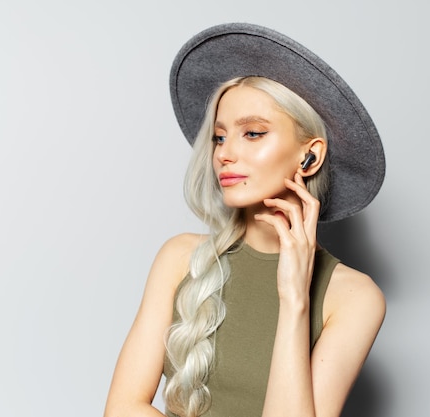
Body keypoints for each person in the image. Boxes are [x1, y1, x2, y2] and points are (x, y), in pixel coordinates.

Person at [104, 23, 387, 417]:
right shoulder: (180, 257)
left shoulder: (355, 298)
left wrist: (294, 300)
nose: (224, 154)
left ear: (311, 156)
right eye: (220, 137)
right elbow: (122, 408)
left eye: (252, 133)